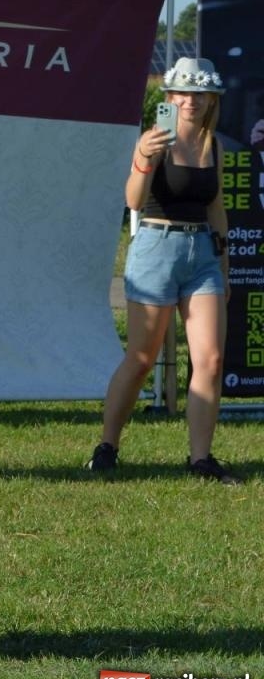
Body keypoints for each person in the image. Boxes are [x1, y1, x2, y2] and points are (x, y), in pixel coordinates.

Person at [89, 57, 239, 484]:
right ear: (169, 98)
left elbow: (216, 208)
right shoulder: (155, 139)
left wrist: (223, 268)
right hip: (157, 246)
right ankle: (107, 445)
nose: (191, 102)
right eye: (183, 94)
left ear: (211, 100)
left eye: (199, 94)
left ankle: (200, 459)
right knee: (140, 358)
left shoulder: (214, 146)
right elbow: (134, 201)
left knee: (209, 359)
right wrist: (142, 157)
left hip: (202, 255)